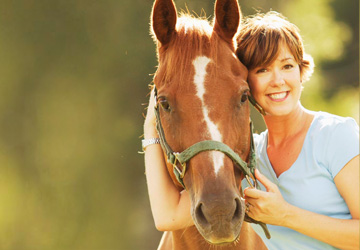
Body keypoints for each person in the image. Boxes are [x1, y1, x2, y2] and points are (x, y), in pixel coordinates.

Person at [143, 11, 359, 249]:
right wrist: (151, 127)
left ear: (301, 70)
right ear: (246, 80)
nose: (277, 80)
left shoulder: (336, 136)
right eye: (262, 70)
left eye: (287, 66)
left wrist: (285, 215)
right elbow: (167, 217)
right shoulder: (244, 160)